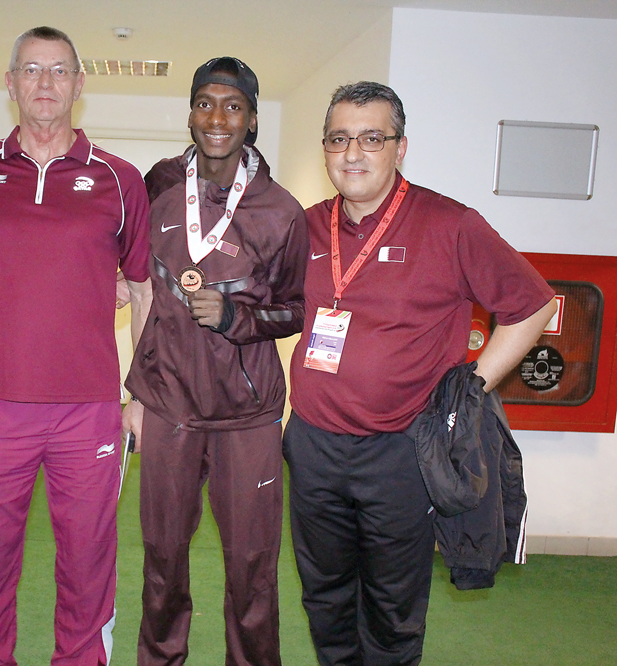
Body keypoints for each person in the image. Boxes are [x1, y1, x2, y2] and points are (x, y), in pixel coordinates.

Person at [284, 81, 556, 666]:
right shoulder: (304, 226)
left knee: (391, 604)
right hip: (313, 445)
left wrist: (472, 387)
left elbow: (534, 306)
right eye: (339, 138)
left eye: (372, 138)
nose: (353, 152)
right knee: (324, 597)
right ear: (325, 148)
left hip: (402, 451)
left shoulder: (451, 225)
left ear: (401, 147)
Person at [0, 26, 152, 666]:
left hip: (89, 410)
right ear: (10, 83)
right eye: (32, 70)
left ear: (79, 84)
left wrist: (140, 395)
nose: (46, 83)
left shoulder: (121, 180)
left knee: (90, 565)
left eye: (59, 70)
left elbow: (144, 291)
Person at [121, 56, 308, 666]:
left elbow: (295, 310)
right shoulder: (159, 184)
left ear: (252, 119)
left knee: (252, 569)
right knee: (163, 561)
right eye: (205, 102)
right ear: (191, 111)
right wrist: (135, 391)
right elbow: (136, 279)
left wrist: (237, 320)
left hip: (246, 414)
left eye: (232, 105)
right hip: (170, 404)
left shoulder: (281, 211)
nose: (217, 117)